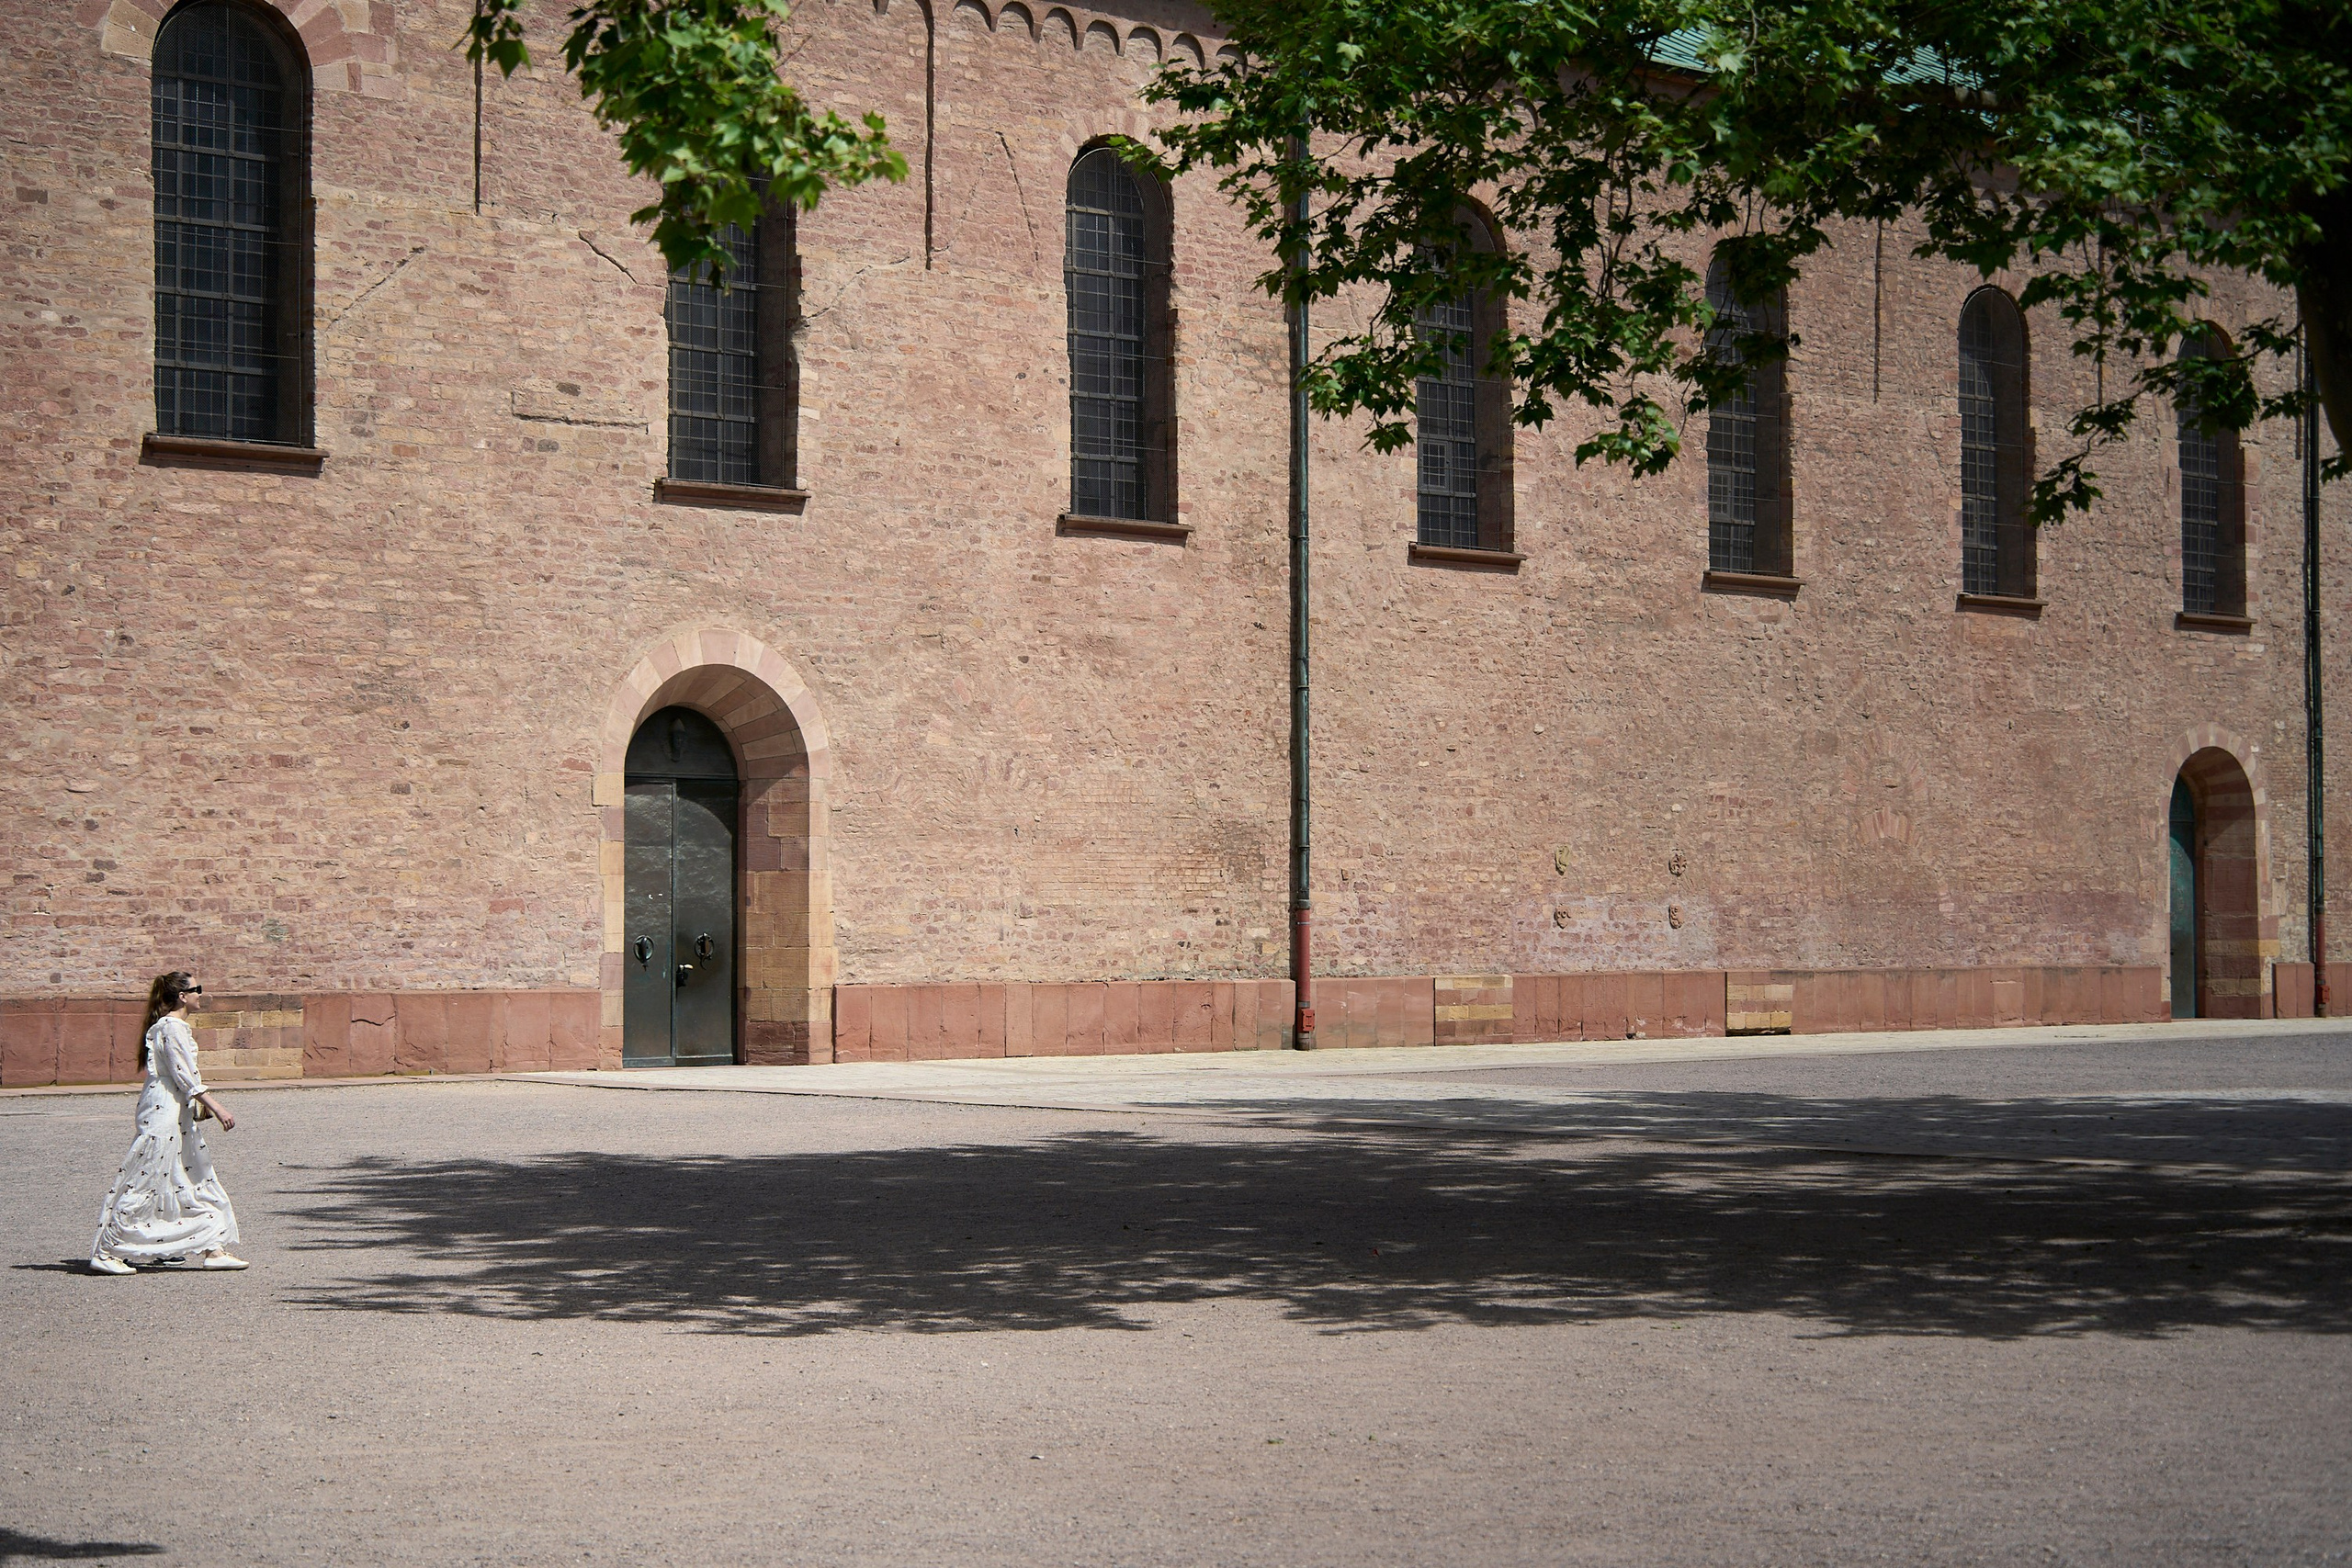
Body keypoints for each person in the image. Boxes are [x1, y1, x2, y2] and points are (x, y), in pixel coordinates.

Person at [88, 971, 246, 1273]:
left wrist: (195, 1106)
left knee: (193, 1175)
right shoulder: (171, 1027)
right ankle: (107, 1251)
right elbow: (183, 1074)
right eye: (196, 989)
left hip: (176, 1111)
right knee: (147, 1178)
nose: (201, 994)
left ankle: (213, 1249)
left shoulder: (173, 1027)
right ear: (183, 996)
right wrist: (216, 1107)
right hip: (162, 1112)